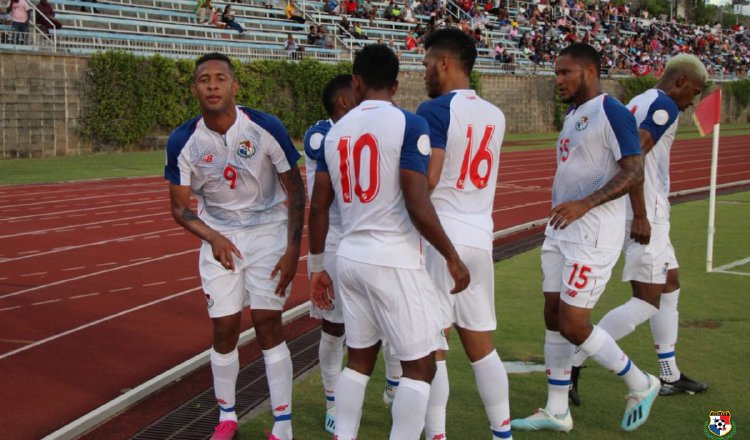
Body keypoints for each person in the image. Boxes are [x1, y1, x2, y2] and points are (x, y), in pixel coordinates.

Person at [308, 43, 470, 440]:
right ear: (397, 85)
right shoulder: (408, 123)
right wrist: (451, 255)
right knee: (420, 367)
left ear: (357, 81)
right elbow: (417, 199)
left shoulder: (334, 132)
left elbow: (318, 207)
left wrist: (316, 267)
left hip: (348, 257)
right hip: (393, 257)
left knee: (359, 361)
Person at [511, 42, 659, 433]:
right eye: (556, 73)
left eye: (565, 72)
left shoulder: (611, 111)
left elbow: (634, 170)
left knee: (574, 323)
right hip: (561, 231)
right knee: (552, 314)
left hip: (593, 234)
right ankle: (557, 408)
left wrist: (586, 203)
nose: (557, 80)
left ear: (590, 71)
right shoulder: (576, 113)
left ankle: (641, 382)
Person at [164, 53, 305, 440]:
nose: (212, 85)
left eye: (220, 78)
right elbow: (179, 208)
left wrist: (293, 250)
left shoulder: (264, 126)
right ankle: (227, 417)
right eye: (204, 80)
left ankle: (283, 424)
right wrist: (213, 237)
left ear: (234, 86)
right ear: (194, 89)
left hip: (269, 235)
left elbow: (296, 190)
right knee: (224, 329)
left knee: (267, 324)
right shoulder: (183, 140)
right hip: (219, 237)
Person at [568, 53, 709, 404]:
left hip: (646, 209)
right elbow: (635, 156)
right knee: (647, 299)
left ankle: (669, 372)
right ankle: (575, 360)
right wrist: (642, 215)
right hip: (648, 212)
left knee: (670, 283)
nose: (696, 99)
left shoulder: (640, 99)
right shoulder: (665, 107)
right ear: (680, 82)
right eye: (696, 90)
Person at [417, 28, 512, 440]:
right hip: (480, 234)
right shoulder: (495, 113)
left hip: (442, 238)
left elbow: (431, 178)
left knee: (432, 345)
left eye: (425, 64)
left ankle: (437, 434)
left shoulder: (434, 109)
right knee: (481, 344)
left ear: (444, 63)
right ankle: (502, 432)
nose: (423, 73)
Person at [302, 74, 358, 435]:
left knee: (387, 323)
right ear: (343, 102)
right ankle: (333, 401)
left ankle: (395, 384)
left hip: (368, 235)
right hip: (336, 237)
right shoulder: (320, 135)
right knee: (335, 327)